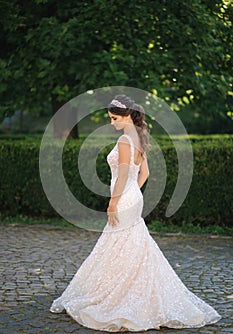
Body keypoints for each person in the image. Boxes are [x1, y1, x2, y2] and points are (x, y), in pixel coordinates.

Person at [50, 94, 221, 332]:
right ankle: (132, 290)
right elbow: (144, 174)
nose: (112, 122)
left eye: (114, 118)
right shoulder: (138, 139)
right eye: (110, 118)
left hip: (123, 200)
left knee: (120, 244)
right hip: (133, 198)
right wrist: (132, 193)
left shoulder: (124, 141)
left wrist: (114, 202)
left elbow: (121, 176)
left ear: (127, 115)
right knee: (130, 244)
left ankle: (119, 296)